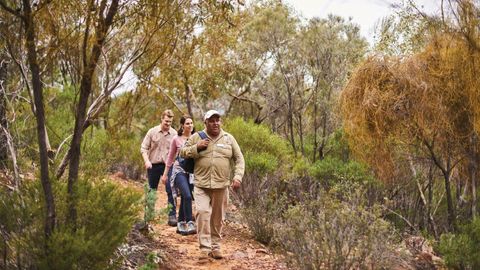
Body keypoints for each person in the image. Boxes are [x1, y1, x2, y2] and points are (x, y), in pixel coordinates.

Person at [180, 110, 244, 260]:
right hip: (201, 184)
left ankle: (215, 247)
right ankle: (204, 248)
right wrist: (197, 148)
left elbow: (239, 158)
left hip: (221, 185)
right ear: (205, 123)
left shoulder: (228, 139)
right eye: (212, 120)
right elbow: (182, 152)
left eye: (218, 120)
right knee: (202, 213)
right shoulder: (196, 137)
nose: (215, 123)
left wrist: (238, 176)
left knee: (217, 218)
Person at [141, 109, 178, 226]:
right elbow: (143, 148)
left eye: (170, 122)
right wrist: (147, 161)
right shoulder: (152, 132)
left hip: (168, 165)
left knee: (170, 189)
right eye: (166, 121)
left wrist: (173, 164)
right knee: (152, 190)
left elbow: (177, 151)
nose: (168, 124)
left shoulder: (174, 134)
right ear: (162, 119)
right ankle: (148, 215)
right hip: (153, 164)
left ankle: (172, 215)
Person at [161, 115, 197, 235]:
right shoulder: (176, 139)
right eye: (187, 123)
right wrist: (165, 175)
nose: (190, 125)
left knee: (186, 197)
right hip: (178, 171)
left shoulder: (196, 138)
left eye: (191, 123)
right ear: (182, 125)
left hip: (191, 173)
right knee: (186, 196)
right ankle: (189, 222)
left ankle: (180, 223)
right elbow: (170, 157)